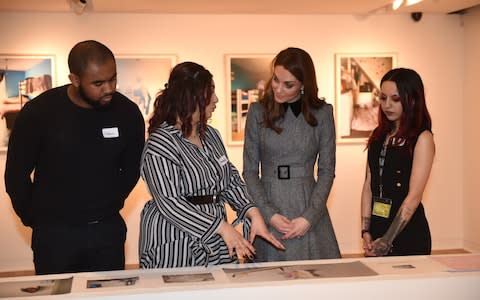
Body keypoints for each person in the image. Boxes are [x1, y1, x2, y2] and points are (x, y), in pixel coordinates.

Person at [4, 40, 145, 274]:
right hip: (55, 236)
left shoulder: (127, 113)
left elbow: (132, 168)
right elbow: (16, 175)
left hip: (106, 232)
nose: (109, 88)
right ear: (75, 79)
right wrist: (37, 220)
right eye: (98, 83)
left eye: (113, 78)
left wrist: (108, 203)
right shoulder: (39, 112)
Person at [138, 61, 284, 268]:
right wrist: (222, 228)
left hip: (216, 235)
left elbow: (231, 180)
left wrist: (252, 212)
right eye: (209, 94)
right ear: (189, 99)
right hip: (176, 239)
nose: (216, 100)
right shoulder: (160, 144)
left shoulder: (211, 136)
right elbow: (170, 203)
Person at [242, 47, 340, 262]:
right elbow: (249, 172)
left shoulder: (322, 113)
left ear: (304, 85)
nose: (278, 89)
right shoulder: (257, 112)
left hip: (307, 205)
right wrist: (269, 214)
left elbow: (326, 170)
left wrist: (309, 218)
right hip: (267, 203)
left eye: (289, 85)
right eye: (276, 80)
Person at [360, 68, 434, 257]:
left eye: (395, 99)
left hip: (409, 235)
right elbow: (368, 184)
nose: (387, 105)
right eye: (383, 98)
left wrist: (387, 240)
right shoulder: (377, 136)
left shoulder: (422, 138)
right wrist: (365, 231)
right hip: (377, 229)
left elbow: (413, 198)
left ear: (413, 99)